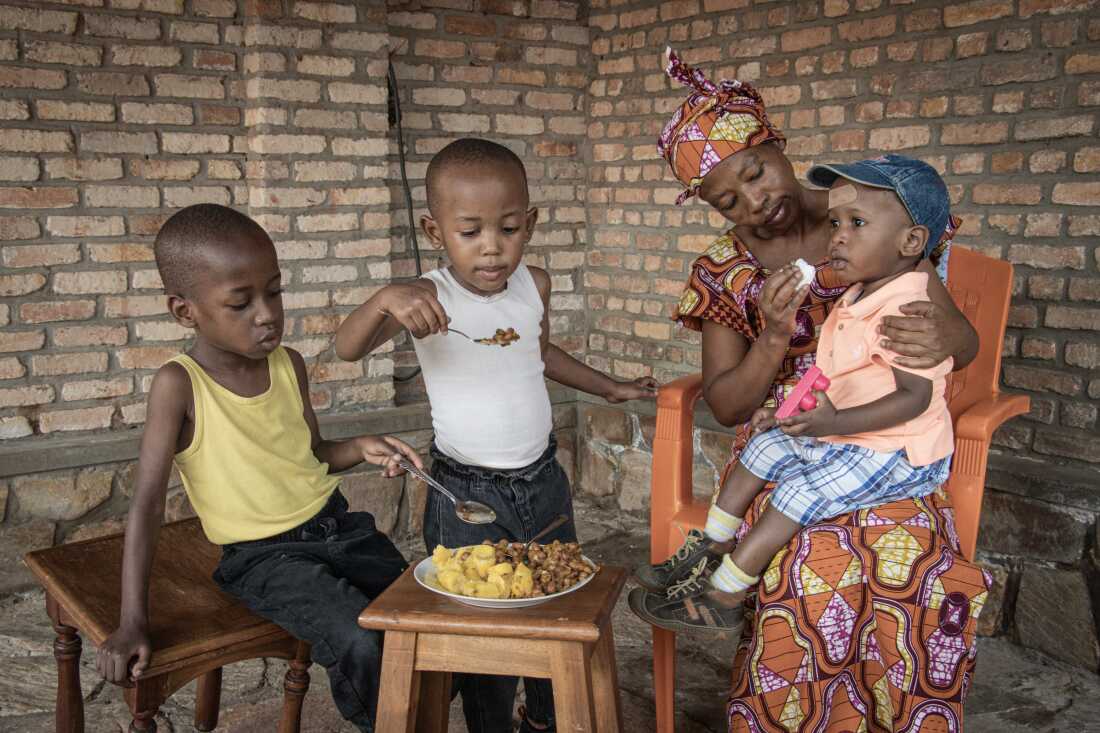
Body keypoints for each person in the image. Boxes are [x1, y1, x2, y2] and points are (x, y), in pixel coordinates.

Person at [630, 49, 991, 732]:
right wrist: (771, 335)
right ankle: (769, 677)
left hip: (881, 440)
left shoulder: (868, 215)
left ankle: (888, 714)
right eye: (728, 200)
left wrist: (948, 342)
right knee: (801, 552)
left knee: (896, 556)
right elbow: (728, 404)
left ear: (777, 144)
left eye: (757, 172)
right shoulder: (723, 271)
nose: (756, 200)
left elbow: (957, 339)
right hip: (788, 431)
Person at [334, 138, 658, 733]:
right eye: (470, 231)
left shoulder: (535, 283)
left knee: (552, 603)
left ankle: (544, 716)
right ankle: (492, 724)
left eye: (508, 228)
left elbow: (539, 352)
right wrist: (385, 298)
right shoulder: (426, 297)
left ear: (529, 224)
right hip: (465, 494)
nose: (491, 247)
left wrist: (606, 386)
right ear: (435, 231)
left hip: (544, 481)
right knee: (483, 623)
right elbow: (348, 348)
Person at [95, 204, 423, 733]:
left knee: (424, 614)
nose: (267, 313)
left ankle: (429, 709)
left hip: (338, 529)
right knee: (359, 638)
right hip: (266, 559)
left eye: (274, 291)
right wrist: (132, 619)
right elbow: (147, 504)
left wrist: (359, 446)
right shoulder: (180, 385)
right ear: (185, 312)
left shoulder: (287, 363)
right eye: (240, 303)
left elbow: (311, 452)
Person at [632, 154, 957, 637]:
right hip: (838, 426)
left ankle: (723, 594)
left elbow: (916, 398)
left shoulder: (908, 302)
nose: (839, 236)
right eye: (836, 223)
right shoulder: (854, 292)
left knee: (797, 498)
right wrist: (779, 399)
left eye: (855, 224)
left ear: (911, 243)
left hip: (895, 449)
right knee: (763, 446)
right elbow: (814, 374)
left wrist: (832, 424)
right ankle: (712, 545)